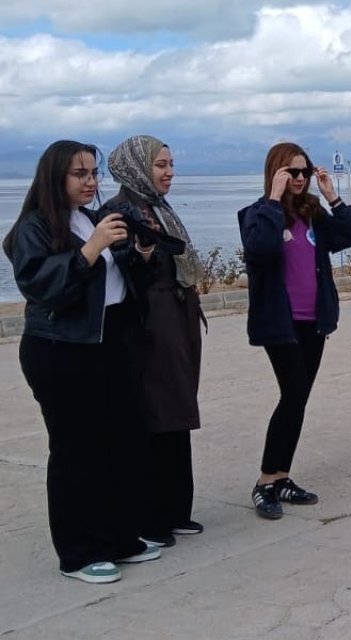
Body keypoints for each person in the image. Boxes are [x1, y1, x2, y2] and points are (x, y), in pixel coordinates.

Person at [4, 140, 162, 583]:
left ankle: (120, 537)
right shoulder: (32, 229)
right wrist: (90, 248)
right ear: (55, 176)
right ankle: (79, 552)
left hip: (108, 343)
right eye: (81, 174)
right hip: (59, 348)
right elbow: (43, 286)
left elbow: (117, 283)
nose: (91, 182)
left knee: (122, 440)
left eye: (94, 173)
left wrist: (141, 255)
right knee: (77, 451)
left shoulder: (92, 218)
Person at [237, 142, 351, 520]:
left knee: (299, 398)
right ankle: (265, 481)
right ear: (276, 174)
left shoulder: (314, 215)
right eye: (291, 173)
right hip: (281, 323)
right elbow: (260, 248)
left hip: (315, 321)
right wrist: (274, 201)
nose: (299, 179)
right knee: (292, 394)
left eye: (304, 173)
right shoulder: (258, 214)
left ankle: (281, 476)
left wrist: (332, 197)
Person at [104, 135, 205, 547]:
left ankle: (177, 509)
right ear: (136, 167)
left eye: (170, 165)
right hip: (146, 329)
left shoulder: (158, 209)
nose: (168, 173)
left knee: (177, 415)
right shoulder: (118, 212)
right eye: (160, 165)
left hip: (175, 321)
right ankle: (152, 516)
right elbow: (126, 275)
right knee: (155, 417)